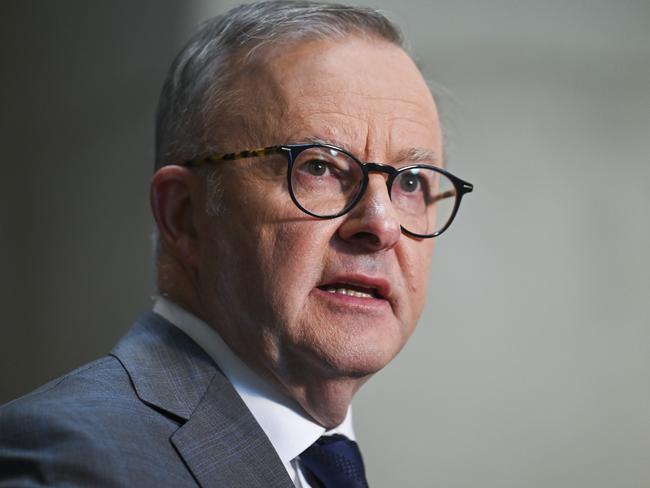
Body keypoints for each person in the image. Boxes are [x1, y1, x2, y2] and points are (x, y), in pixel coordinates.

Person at [0, 1, 473, 486]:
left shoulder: (323, 461)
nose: (382, 224)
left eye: (411, 182)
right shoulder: (70, 464)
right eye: (318, 167)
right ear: (185, 215)